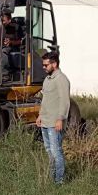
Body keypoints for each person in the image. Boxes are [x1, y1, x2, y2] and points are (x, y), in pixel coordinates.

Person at [36, 51, 70, 185]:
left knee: (56, 153)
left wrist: (60, 119)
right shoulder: (47, 79)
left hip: (55, 123)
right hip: (45, 121)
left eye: (46, 65)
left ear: (54, 64)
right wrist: (40, 115)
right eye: (43, 65)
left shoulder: (61, 79)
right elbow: (45, 100)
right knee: (49, 152)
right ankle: (52, 177)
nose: (44, 67)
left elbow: (65, 101)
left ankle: (59, 181)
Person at [0, 9, 24, 81]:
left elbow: (21, 41)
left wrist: (11, 42)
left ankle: (5, 74)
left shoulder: (16, 27)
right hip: (1, 46)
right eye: (1, 21)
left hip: (14, 47)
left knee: (3, 51)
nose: (2, 22)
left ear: (9, 19)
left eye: (4, 21)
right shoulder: (0, 28)